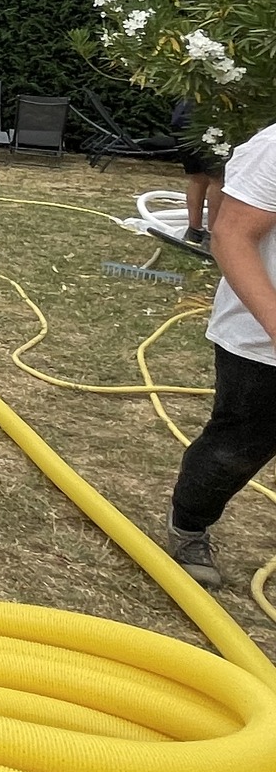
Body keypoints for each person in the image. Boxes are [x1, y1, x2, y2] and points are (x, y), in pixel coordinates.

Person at [165, 118, 276, 589]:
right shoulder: (272, 148)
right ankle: (189, 523)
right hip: (261, 341)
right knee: (237, 448)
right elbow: (230, 233)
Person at [171, 98, 223, 248]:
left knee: (198, 176)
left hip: (183, 118)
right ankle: (213, 236)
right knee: (218, 179)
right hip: (206, 120)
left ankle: (194, 230)